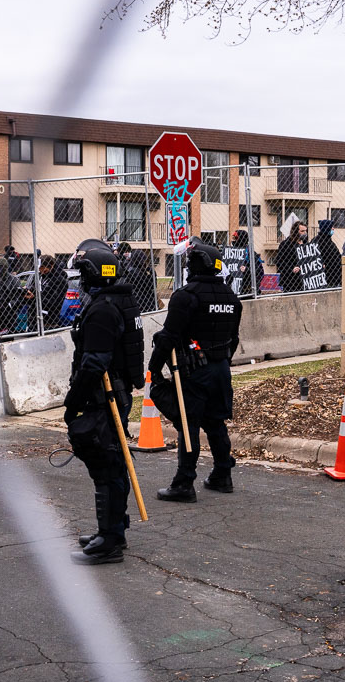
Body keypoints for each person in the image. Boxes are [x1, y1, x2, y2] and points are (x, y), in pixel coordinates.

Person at [64, 240, 144, 566]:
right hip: (118, 394)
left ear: (95, 274)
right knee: (111, 460)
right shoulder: (122, 300)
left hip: (106, 397)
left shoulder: (102, 310)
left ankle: (109, 539)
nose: (80, 280)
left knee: (106, 464)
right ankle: (113, 528)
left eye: (84, 273)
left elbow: (94, 363)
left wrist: (72, 404)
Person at [149, 242, 243, 503]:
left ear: (195, 265)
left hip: (194, 371)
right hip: (221, 369)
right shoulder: (231, 298)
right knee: (215, 423)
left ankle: (184, 483)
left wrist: (153, 368)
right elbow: (233, 340)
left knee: (188, 425)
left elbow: (168, 336)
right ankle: (222, 475)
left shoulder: (186, 295)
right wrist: (220, 362)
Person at [118, 242, 158, 313]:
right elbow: (154, 285)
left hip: (138, 303)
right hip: (151, 302)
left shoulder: (133, 271)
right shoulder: (150, 271)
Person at [275, 221, 307, 292]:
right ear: (295, 231)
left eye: (305, 231)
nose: (305, 233)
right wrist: (291, 269)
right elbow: (279, 262)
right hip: (290, 281)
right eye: (302, 231)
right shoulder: (285, 244)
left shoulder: (306, 244)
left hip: (304, 280)